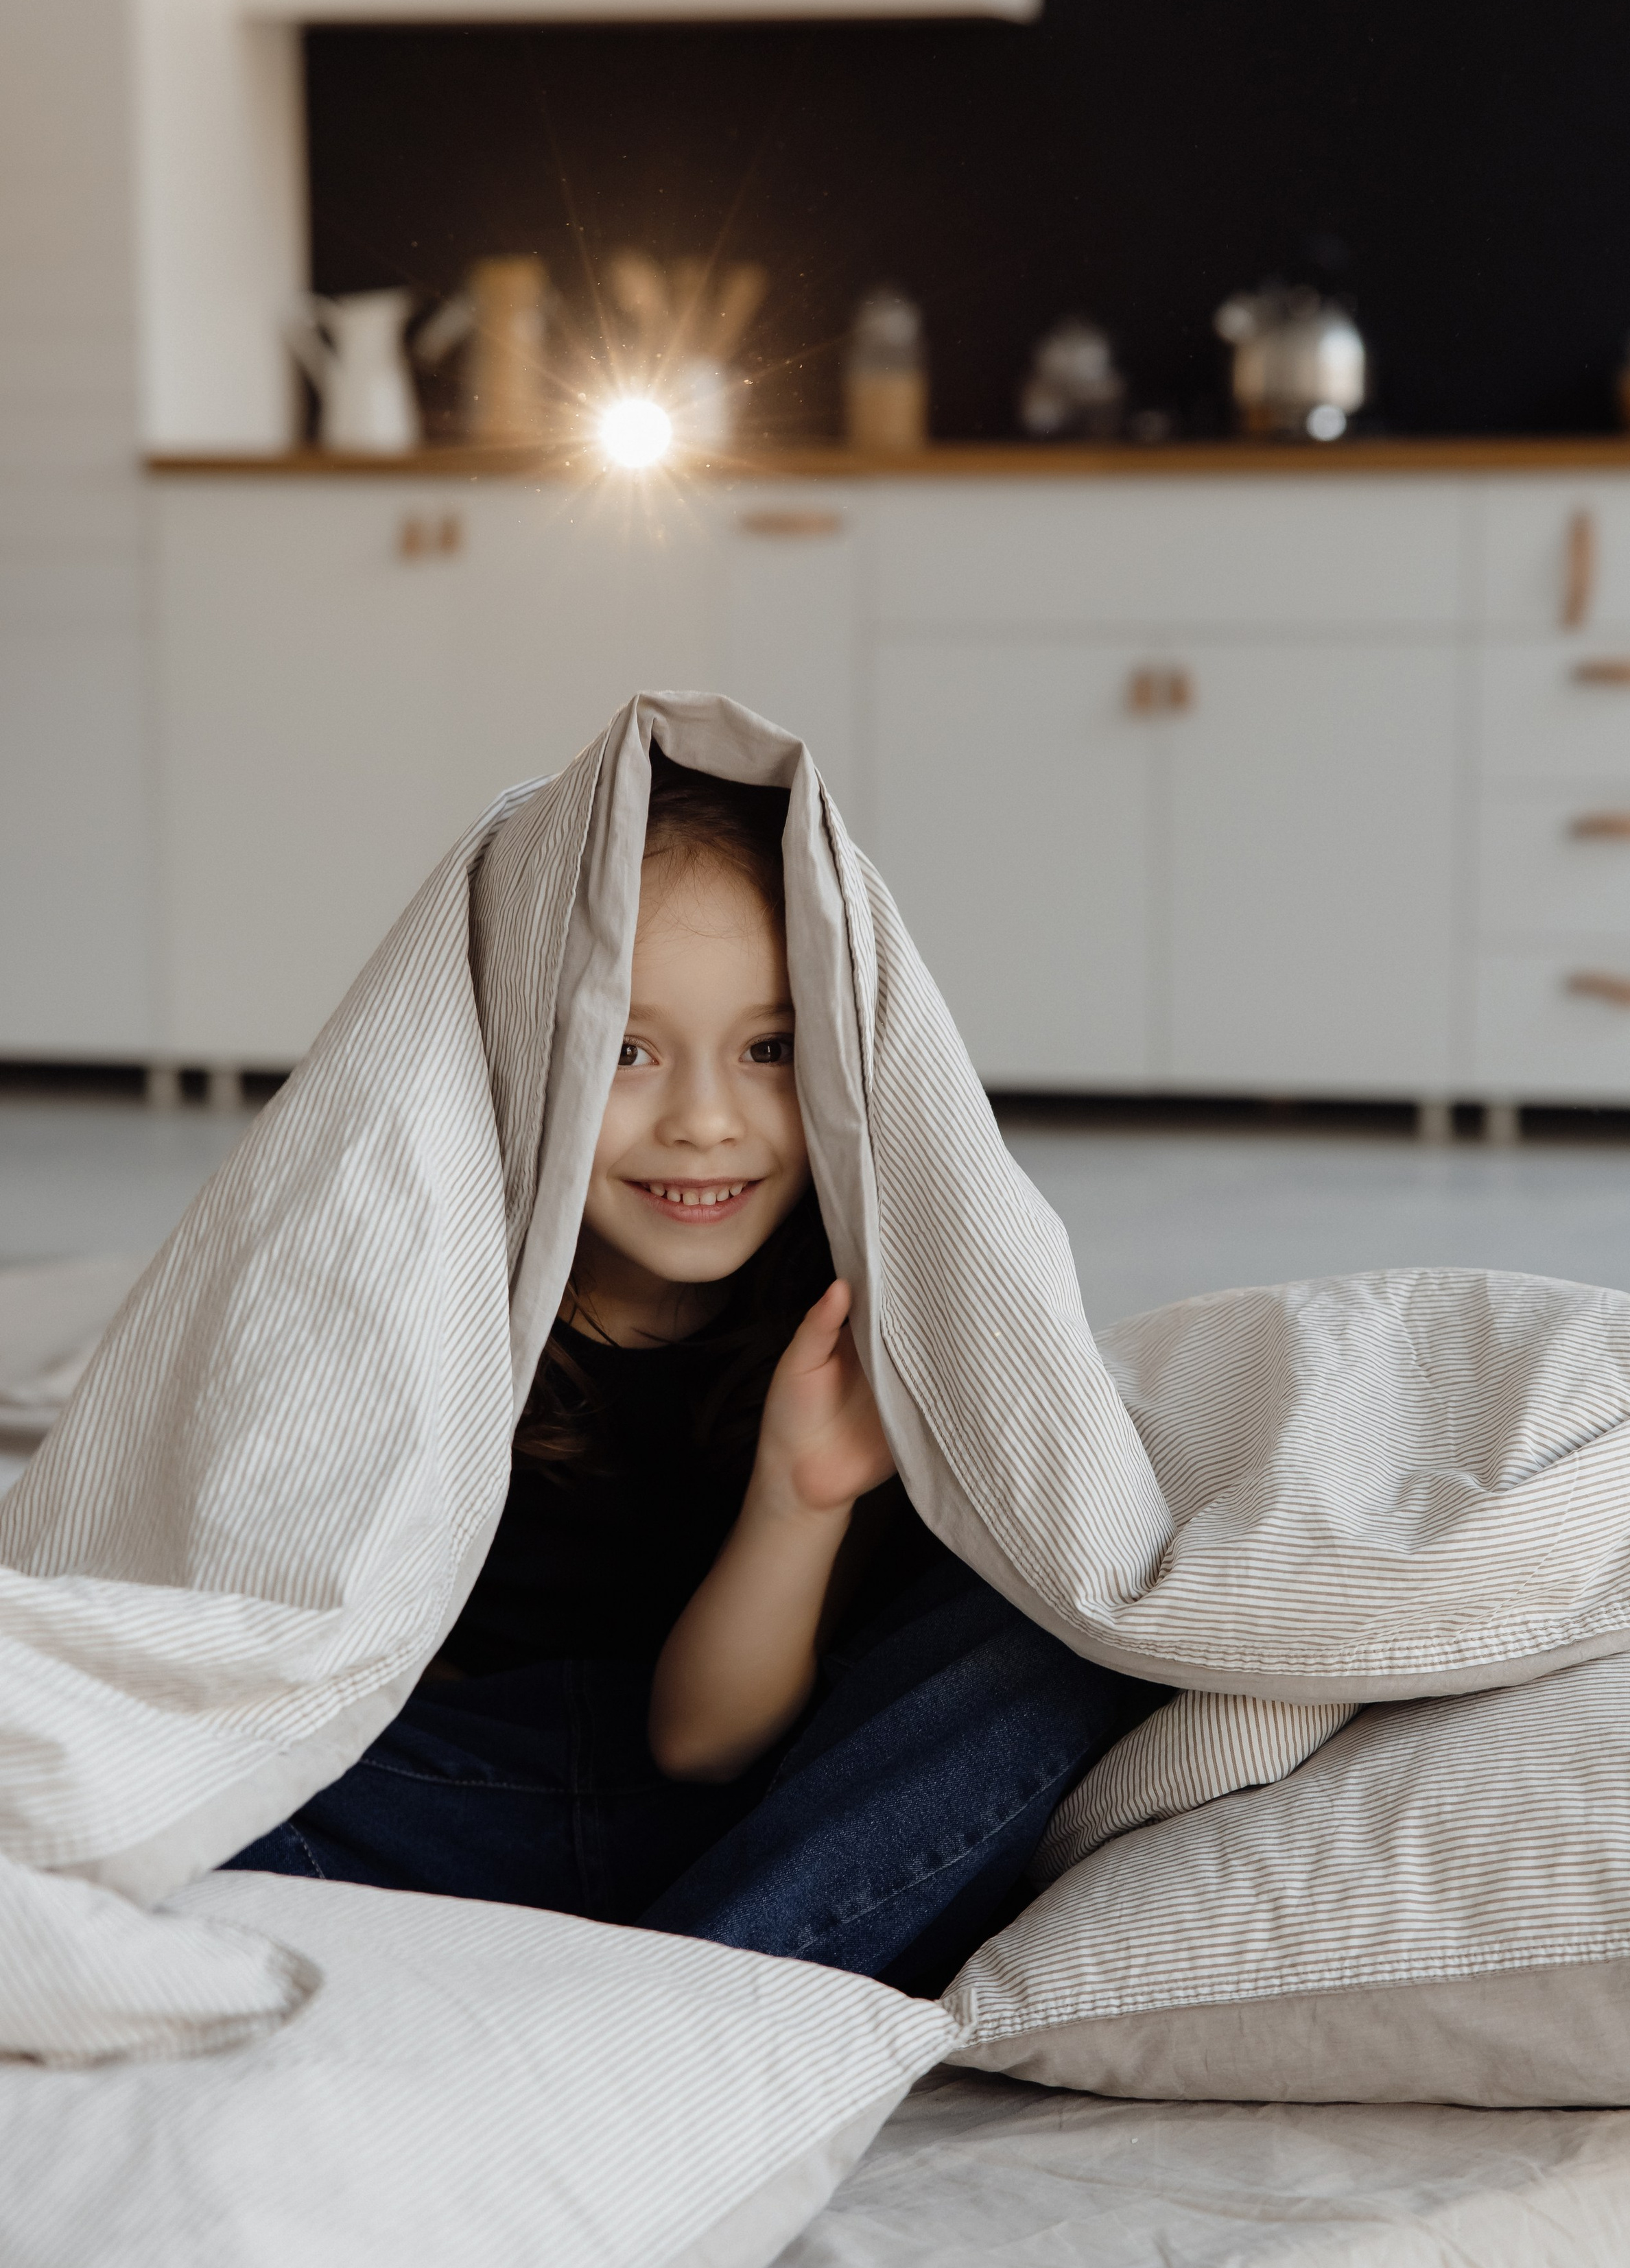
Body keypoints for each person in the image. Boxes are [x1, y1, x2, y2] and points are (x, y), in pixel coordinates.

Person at [226, 758, 1159, 1991]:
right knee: (148, 1751)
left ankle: (702, 1994)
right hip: (452, 1797)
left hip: (760, 1809)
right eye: (626, 1050)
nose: (707, 1120)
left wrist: (801, 1495)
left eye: (769, 1046)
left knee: (1047, 1636)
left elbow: (704, 1746)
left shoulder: (849, 1310)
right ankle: (712, 1978)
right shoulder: (427, 1285)